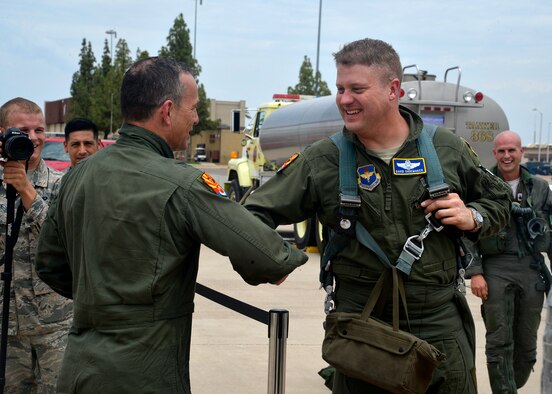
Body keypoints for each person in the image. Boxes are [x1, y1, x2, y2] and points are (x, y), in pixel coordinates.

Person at [243, 38, 512, 393]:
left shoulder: (445, 149)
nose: (344, 99)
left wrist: (472, 216)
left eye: (357, 88)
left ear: (393, 90)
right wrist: (277, 260)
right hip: (361, 329)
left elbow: (499, 200)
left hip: (438, 324)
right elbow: (250, 215)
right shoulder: (323, 159)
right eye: (340, 89)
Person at [35, 56, 308, 393]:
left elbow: (49, 266)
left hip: (78, 371)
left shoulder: (76, 176)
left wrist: (102, 299)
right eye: (192, 108)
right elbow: (270, 259)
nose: (195, 118)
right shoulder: (182, 185)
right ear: (166, 111)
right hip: (145, 376)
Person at [468, 130, 552, 393]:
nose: (506, 156)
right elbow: (466, 232)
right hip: (496, 267)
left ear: (520, 152)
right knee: (499, 342)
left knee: (527, 347)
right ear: (495, 153)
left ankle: (510, 387)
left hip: (531, 268)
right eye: (501, 151)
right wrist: (476, 272)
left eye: (511, 150)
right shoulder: (481, 185)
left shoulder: (539, 188)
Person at [0, 97, 72, 393]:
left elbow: (64, 241)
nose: (33, 138)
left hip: (54, 327)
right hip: (7, 326)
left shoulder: (63, 183)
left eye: (39, 130)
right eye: (23, 130)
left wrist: (26, 189)